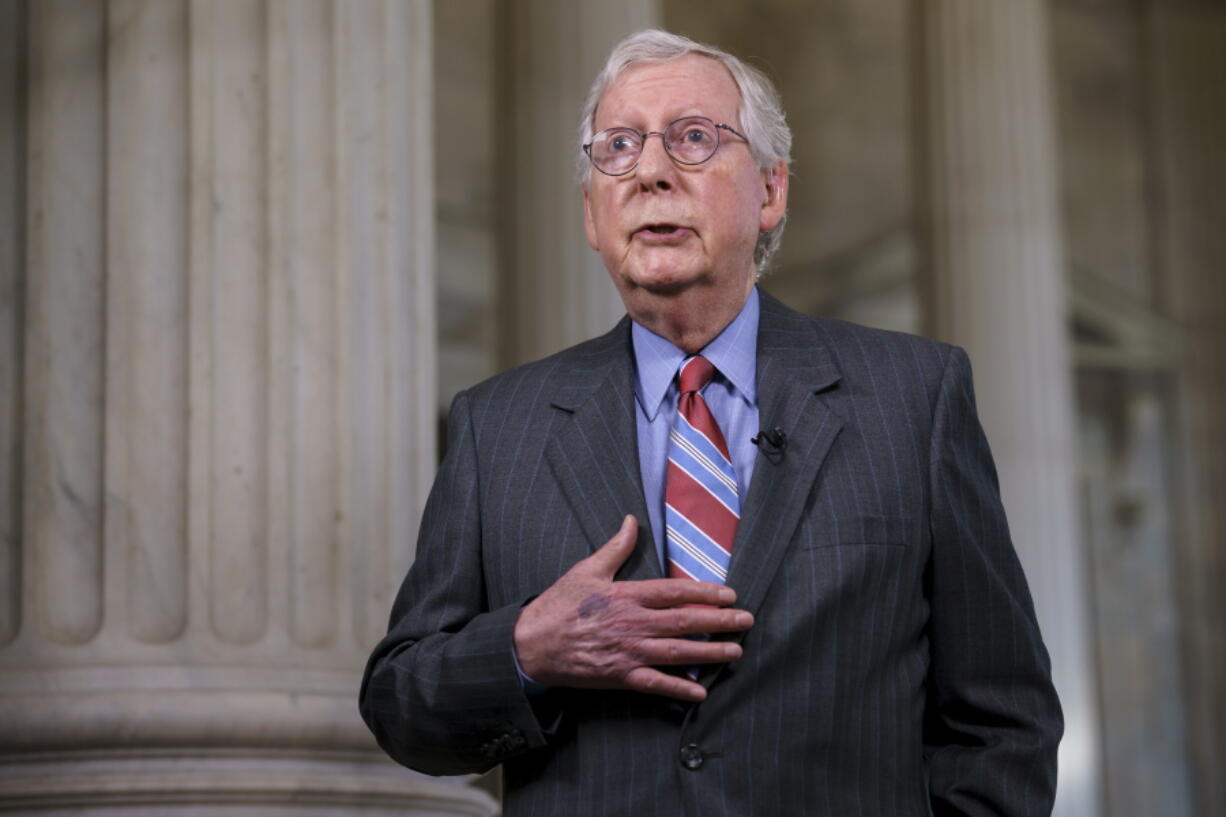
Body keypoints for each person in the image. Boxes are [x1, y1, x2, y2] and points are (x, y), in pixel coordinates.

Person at [360, 29, 1062, 817]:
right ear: (592, 214)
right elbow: (400, 705)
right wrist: (528, 648)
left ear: (770, 191)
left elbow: (1004, 723)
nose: (652, 171)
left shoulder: (912, 398)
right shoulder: (500, 426)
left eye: (693, 138)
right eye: (617, 148)